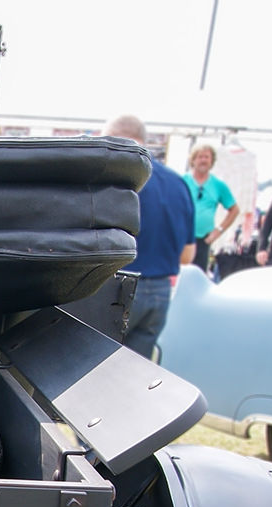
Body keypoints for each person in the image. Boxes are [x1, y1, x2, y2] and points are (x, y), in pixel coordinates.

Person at [102, 114, 194, 360]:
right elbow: (188, 255)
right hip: (160, 294)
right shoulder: (179, 184)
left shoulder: (116, 177)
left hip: (118, 289)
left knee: (96, 371)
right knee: (135, 375)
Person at [183, 142, 238, 274]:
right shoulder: (183, 180)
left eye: (206, 157)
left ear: (212, 161)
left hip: (204, 239)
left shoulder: (218, 185)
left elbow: (234, 210)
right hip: (182, 237)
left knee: (198, 276)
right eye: (200, 157)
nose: (203, 160)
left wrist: (218, 231)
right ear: (193, 160)